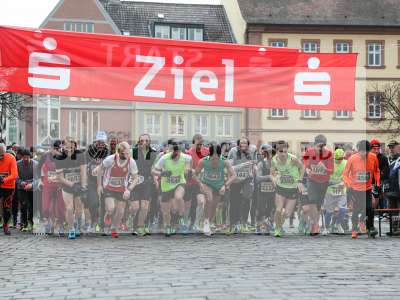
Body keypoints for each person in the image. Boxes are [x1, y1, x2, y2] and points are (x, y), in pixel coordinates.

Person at [97, 141, 138, 238]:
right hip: (109, 187)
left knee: (120, 211)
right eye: (125, 153)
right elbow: (100, 169)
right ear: (119, 152)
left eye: (128, 153)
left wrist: (129, 189)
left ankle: (114, 228)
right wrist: (99, 185)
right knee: (111, 208)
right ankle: (108, 214)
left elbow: (135, 178)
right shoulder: (111, 159)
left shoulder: (131, 161)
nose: (127, 155)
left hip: (122, 189)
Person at [152, 139, 192, 237]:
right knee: (166, 212)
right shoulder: (164, 158)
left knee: (178, 197)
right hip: (166, 186)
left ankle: (182, 218)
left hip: (179, 182)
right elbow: (153, 171)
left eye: (178, 150)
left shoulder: (186, 157)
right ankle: (168, 226)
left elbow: (187, 167)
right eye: (175, 151)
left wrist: (187, 171)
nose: (177, 153)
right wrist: (161, 173)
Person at [194, 143, 236, 236]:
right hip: (206, 183)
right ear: (210, 155)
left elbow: (234, 175)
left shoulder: (224, 161)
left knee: (214, 205)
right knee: (209, 199)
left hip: (219, 186)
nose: (215, 160)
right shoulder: (203, 161)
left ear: (220, 155)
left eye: (217, 157)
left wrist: (225, 185)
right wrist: (200, 183)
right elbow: (195, 174)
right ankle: (205, 222)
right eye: (213, 158)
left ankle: (209, 222)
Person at [342, 140, 380, 238]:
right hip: (355, 189)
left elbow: (376, 171)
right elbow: (345, 174)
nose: (364, 153)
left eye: (366, 151)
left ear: (369, 150)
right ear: (358, 150)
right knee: (356, 209)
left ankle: (370, 227)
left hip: (367, 188)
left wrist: (377, 182)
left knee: (369, 208)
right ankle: (354, 229)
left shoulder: (373, 157)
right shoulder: (352, 158)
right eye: (362, 151)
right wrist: (348, 185)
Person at [52, 137, 87, 239]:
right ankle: (71, 228)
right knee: (69, 208)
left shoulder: (80, 155)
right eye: (66, 147)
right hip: (67, 185)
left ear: (74, 146)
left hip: (79, 184)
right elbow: (60, 177)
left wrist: (83, 186)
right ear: (63, 146)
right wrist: (72, 185)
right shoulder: (59, 157)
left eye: (71, 147)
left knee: (79, 208)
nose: (69, 149)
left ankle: (77, 224)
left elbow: (83, 172)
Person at [271, 141, 305, 237]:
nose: (283, 154)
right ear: (277, 151)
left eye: (285, 151)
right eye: (281, 151)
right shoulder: (274, 160)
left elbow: (302, 167)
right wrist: (274, 179)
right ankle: (277, 229)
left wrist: (300, 181)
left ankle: (279, 225)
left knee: (287, 214)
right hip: (281, 187)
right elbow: (272, 173)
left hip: (292, 189)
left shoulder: (293, 159)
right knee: (278, 210)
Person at [302, 135, 334, 235]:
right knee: (312, 201)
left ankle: (315, 222)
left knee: (318, 204)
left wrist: (324, 168)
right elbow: (306, 164)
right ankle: (315, 225)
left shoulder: (329, 154)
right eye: (318, 146)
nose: (320, 149)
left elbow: (331, 171)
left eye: (322, 146)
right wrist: (307, 169)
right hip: (312, 180)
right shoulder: (309, 151)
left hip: (324, 182)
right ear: (314, 144)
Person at [227, 137, 257, 234]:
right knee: (234, 201)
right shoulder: (233, 151)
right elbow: (229, 167)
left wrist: (255, 167)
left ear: (248, 144)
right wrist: (243, 165)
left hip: (247, 178)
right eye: (241, 143)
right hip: (235, 179)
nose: (243, 145)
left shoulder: (253, 150)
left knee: (247, 199)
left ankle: (243, 222)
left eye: (245, 143)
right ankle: (233, 223)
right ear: (238, 144)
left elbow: (255, 162)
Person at [130, 133, 157, 236]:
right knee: (135, 207)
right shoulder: (133, 152)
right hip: (135, 181)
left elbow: (154, 168)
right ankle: (133, 221)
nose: (144, 143)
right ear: (138, 142)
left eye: (146, 140)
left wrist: (156, 178)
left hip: (147, 182)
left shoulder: (153, 153)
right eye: (142, 141)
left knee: (145, 206)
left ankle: (140, 226)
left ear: (149, 142)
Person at [37, 140, 64, 235]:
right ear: (52, 148)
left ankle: (60, 225)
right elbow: (38, 168)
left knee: (60, 208)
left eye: (59, 149)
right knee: (47, 207)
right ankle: (49, 224)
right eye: (56, 149)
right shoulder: (45, 156)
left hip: (59, 185)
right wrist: (40, 180)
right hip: (47, 185)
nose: (58, 151)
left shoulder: (63, 157)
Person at [85, 131, 109, 233]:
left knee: (104, 203)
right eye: (99, 142)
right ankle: (94, 221)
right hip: (91, 181)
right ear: (95, 142)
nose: (100, 144)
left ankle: (102, 223)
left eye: (102, 142)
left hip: (105, 181)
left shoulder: (109, 152)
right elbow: (83, 165)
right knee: (93, 203)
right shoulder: (89, 151)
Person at [186, 134, 209, 232]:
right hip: (189, 182)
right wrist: (194, 171)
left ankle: (196, 223)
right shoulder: (188, 153)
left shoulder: (206, 151)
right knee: (189, 204)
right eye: (198, 142)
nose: (200, 145)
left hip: (201, 182)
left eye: (201, 143)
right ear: (194, 141)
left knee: (201, 202)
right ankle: (186, 223)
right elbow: (186, 168)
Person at [322, 149, 347, 235]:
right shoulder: (329, 163)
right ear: (334, 157)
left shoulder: (346, 163)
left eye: (341, 159)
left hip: (341, 189)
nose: (339, 161)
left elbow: (348, 174)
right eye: (337, 159)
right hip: (330, 190)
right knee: (329, 211)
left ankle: (338, 223)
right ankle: (326, 228)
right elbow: (324, 174)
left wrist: (344, 181)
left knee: (343, 209)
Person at [16, 148, 38, 232]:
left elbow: (38, 178)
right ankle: (24, 223)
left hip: (32, 188)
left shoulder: (36, 164)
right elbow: (15, 176)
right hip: (21, 187)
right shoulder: (17, 164)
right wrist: (20, 182)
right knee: (23, 206)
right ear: (21, 157)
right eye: (24, 157)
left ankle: (31, 222)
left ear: (30, 157)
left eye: (27, 157)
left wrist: (31, 184)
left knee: (32, 206)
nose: (25, 159)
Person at [255, 144, 275, 235]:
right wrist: (269, 177)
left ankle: (268, 226)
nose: (271, 155)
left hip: (273, 190)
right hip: (262, 190)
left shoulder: (276, 163)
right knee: (261, 209)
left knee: (270, 209)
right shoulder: (261, 163)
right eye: (269, 153)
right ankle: (258, 226)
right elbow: (257, 178)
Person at [0, 143, 18, 235]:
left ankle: (5, 224)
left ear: (5, 152)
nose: (0, 158)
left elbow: (15, 175)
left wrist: (4, 180)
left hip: (9, 186)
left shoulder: (11, 158)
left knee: (6, 207)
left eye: (2, 155)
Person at [370, 139, 390, 210]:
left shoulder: (383, 158)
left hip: (379, 182)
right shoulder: (367, 158)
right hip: (369, 183)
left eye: (378, 149)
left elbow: (385, 173)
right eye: (374, 149)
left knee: (381, 194)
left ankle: (382, 212)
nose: (376, 151)